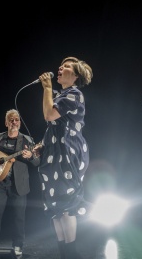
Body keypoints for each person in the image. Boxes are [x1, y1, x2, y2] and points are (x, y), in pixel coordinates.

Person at [33, 56, 93, 259]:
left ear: (75, 76)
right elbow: (53, 124)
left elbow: (49, 115)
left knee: (67, 205)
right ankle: (63, 253)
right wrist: (42, 145)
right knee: (55, 207)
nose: (60, 67)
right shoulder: (60, 95)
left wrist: (47, 88)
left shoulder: (74, 94)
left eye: (66, 66)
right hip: (53, 153)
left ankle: (72, 254)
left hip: (68, 152)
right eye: (60, 65)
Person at [0, 109, 40, 256]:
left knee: (19, 216)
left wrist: (31, 156)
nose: (14, 122)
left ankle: (18, 245)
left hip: (19, 184)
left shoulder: (27, 140)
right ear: (6, 122)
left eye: (17, 120)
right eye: (11, 120)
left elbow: (37, 162)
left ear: (19, 122)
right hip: (0, 183)